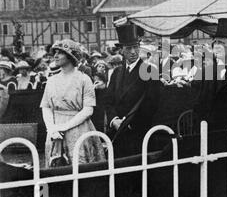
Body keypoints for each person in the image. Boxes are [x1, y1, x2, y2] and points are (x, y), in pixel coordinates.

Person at [40, 39, 106, 167]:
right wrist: (52, 128)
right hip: (55, 130)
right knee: (55, 170)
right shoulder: (51, 80)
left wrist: (64, 127)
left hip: (78, 129)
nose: (55, 56)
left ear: (70, 56)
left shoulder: (84, 79)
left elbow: (88, 109)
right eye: (55, 52)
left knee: (80, 168)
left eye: (60, 53)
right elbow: (46, 107)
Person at [104, 24, 161, 157]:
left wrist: (130, 123)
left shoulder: (149, 71)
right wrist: (114, 120)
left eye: (136, 47)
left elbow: (152, 103)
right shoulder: (117, 72)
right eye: (129, 48)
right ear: (121, 50)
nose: (133, 52)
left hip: (139, 133)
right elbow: (108, 101)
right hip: (117, 132)